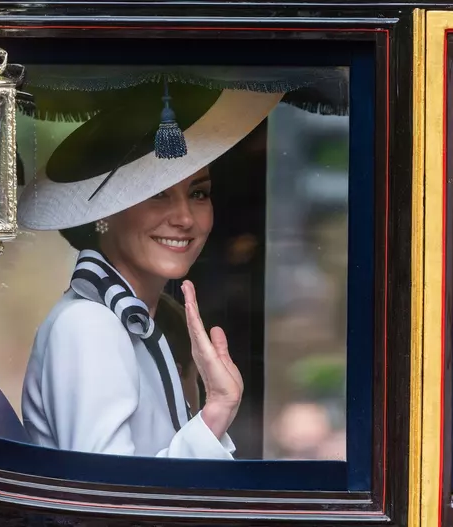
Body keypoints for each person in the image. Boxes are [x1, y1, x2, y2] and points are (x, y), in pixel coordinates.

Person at [18, 82, 282, 458]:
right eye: (157, 194)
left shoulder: (142, 322)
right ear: (105, 213)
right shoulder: (91, 325)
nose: (185, 218)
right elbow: (112, 502)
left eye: (198, 193)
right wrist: (218, 410)